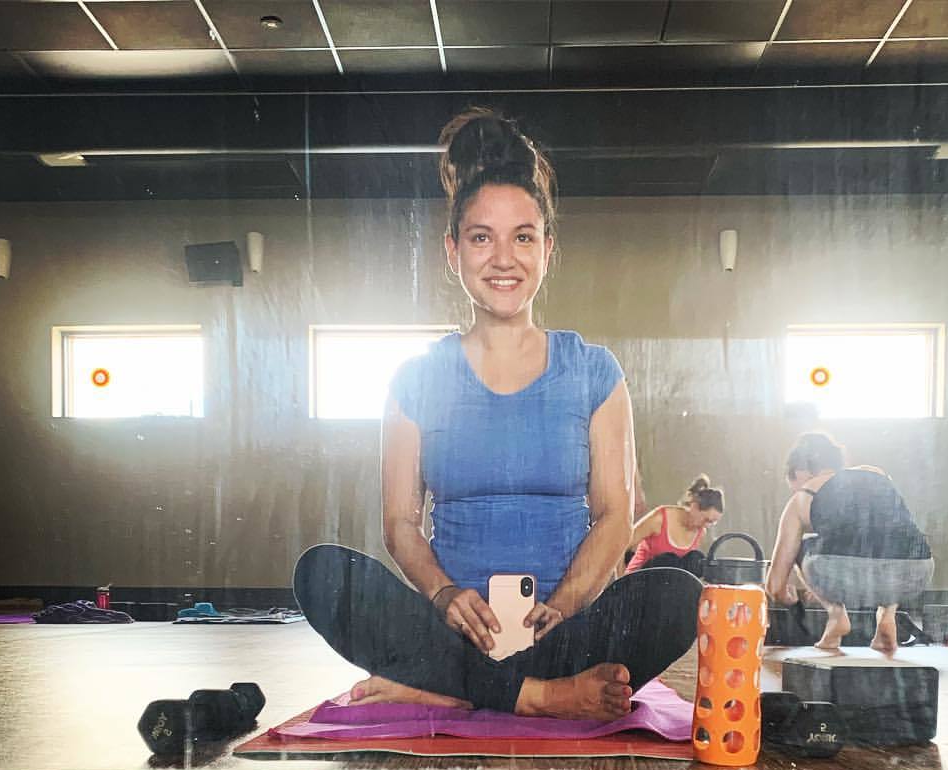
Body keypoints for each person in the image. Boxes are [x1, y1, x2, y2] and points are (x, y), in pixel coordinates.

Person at [294, 108, 701, 721]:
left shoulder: (595, 371)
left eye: (523, 237)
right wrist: (444, 594)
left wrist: (564, 606)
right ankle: (538, 695)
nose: (503, 258)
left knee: (678, 594)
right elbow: (400, 523)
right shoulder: (415, 378)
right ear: (453, 251)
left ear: (547, 249)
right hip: (455, 635)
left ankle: (451, 688)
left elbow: (616, 516)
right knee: (323, 574)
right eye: (482, 238)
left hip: (564, 634)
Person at [764, 432, 933, 654]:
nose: (795, 491)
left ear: (800, 471)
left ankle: (836, 616)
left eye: (793, 485)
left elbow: (775, 586)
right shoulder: (875, 473)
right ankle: (887, 616)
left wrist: (790, 598)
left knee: (802, 544)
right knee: (889, 539)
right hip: (917, 572)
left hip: (843, 571)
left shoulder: (803, 496)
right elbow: (889, 530)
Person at [624, 475, 723, 575]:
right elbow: (623, 544)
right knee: (669, 560)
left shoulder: (701, 532)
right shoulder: (659, 518)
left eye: (711, 522)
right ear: (695, 506)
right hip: (638, 577)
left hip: (669, 581)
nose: (706, 526)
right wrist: (619, 577)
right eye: (706, 519)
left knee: (695, 558)